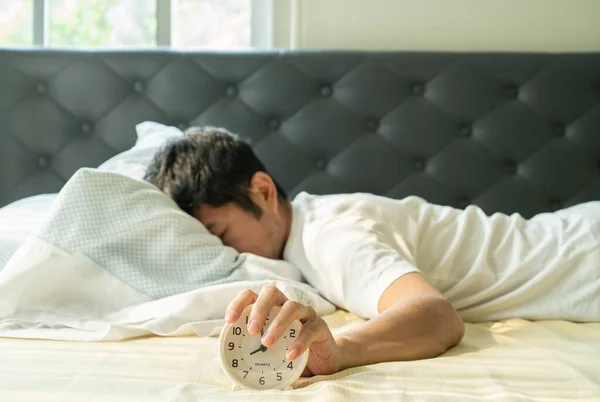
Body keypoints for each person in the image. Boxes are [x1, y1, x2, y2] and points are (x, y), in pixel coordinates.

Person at [144, 126, 600, 376]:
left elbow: (437, 316)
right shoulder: (313, 229)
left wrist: (337, 351)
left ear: (262, 192)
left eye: (220, 232)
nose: (223, 251)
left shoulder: (328, 238)